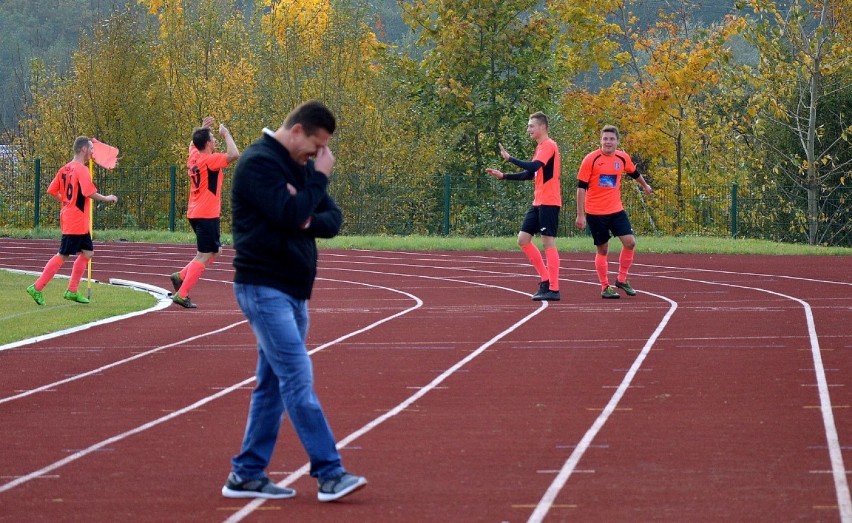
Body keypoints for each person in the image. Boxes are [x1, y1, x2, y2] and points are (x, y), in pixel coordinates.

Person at [222, 101, 367, 502]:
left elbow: (331, 220)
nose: (319, 157)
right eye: (317, 146)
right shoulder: (258, 164)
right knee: (297, 378)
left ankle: (246, 473)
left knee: (271, 385)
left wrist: (304, 211)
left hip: (293, 291)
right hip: (263, 287)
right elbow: (290, 211)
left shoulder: (301, 168)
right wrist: (313, 188)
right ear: (298, 130)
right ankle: (330, 473)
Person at [26, 136, 118, 305]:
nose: (93, 151)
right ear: (83, 149)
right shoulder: (81, 170)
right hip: (75, 220)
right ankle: (37, 287)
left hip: (75, 219)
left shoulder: (65, 168)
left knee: (88, 253)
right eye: (91, 148)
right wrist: (107, 198)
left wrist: (65, 201)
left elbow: (52, 190)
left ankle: (72, 290)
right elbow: (88, 192)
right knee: (63, 255)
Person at [486, 111, 562, 301]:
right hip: (538, 201)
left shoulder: (548, 145)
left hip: (549, 201)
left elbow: (534, 167)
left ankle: (553, 288)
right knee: (523, 239)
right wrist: (504, 176)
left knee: (547, 242)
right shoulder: (540, 148)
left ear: (542, 127)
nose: (528, 129)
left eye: (531, 126)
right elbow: (531, 174)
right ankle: (545, 280)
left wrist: (510, 159)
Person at [575, 125, 652, 299]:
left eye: (611, 139)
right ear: (600, 141)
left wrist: (645, 185)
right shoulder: (591, 159)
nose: (608, 142)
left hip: (616, 210)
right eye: (605, 139)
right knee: (602, 249)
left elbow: (634, 172)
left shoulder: (622, 157)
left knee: (630, 242)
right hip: (595, 212)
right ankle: (605, 286)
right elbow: (581, 188)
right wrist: (580, 214)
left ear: (617, 141)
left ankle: (622, 279)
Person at [170, 117, 240, 308]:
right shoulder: (210, 161)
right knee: (204, 255)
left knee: (215, 251)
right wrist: (226, 134)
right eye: (213, 138)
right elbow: (234, 154)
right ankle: (182, 294)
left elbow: (192, 143)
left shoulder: (193, 155)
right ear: (208, 143)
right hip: (206, 213)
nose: (216, 141)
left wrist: (202, 129)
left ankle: (181, 275)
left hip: (196, 211)